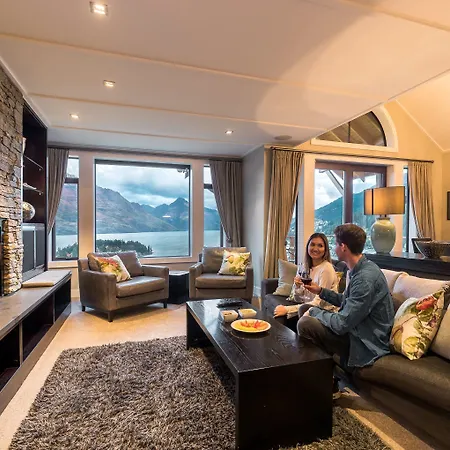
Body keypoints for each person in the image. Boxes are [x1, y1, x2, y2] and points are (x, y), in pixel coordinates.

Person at [297, 224, 394, 377]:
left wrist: (315, 311)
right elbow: (347, 301)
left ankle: (318, 378)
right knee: (304, 309)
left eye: (335, 244)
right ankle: (321, 373)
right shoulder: (358, 269)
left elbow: (342, 324)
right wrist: (321, 291)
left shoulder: (365, 278)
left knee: (306, 323)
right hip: (356, 327)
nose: (334, 248)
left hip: (366, 340)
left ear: (343, 247)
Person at [274, 233, 339, 321]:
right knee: (278, 314)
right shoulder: (304, 266)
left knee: (281, 315)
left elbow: (318, 303)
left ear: (325, 250)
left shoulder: (326, 269)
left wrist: (287, 309)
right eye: (312, 244)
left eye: (320, 246)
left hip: (324, 313)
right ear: (308, 246)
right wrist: (297, 287)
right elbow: (297, 298)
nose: (315, 249)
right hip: (306, 308)